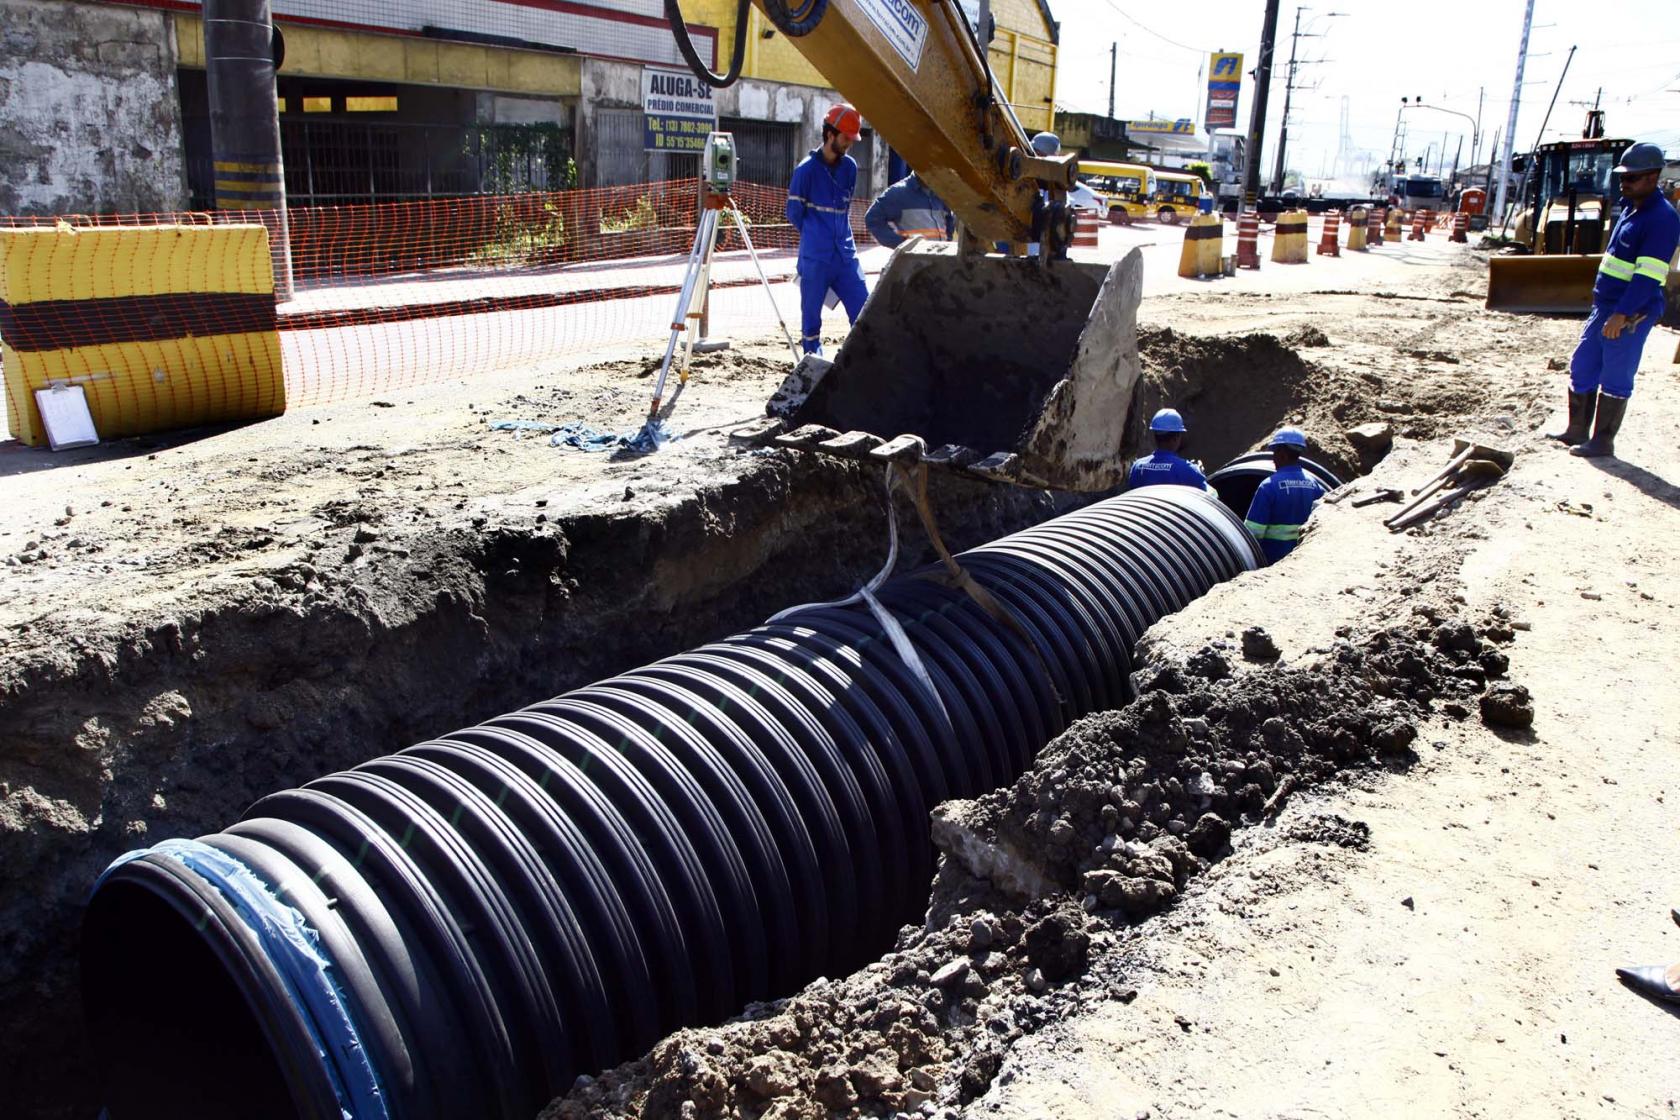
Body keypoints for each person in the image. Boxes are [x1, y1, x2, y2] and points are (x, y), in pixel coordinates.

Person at [1550, 141, 1680, 458]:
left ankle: (1602, 441)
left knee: (1616, 375)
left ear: (1652, 177)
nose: (1624, 183)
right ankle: (1577, 430)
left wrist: (1622, 313)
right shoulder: (1631, 208)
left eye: (1631, 178)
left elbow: (1647, 276)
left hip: (1631, 311)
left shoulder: (1662, 219)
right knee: (1583, 365)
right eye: (1622, 177)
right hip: (1606, 306)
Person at [786, 103, 870, 356]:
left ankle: (860, 363)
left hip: (845, 256)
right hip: (816, 259)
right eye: (846, 138)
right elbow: (794, 214)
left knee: (864, 312)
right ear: (830, 134)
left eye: (852, 139)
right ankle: (814, 365)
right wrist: (816, 236)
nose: (849, 144)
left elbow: (843, 209)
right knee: (811, 324)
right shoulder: (806, 171)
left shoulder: (850, 168)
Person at [1243, 427, 1326, 563]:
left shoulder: (1268, 486)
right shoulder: (1314, 484)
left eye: (1275, 452)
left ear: (1282, 454)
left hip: (1272, 560)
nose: (1273, 458)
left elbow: (1253, 533)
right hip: (1304, 557)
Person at [864, 171, 954, 248]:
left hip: (941, 259)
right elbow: (872, 219)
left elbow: (949, 219)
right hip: (914, 264)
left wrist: (947, 242)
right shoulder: (898, 193)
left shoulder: (941, 192)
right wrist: (901, 244)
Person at [1127, 408, 1208, 490]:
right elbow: (1208, 496)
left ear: (1155, 437)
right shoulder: (1189, 470)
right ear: (1176, 438)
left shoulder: (1137, 467)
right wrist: (1200, 472)